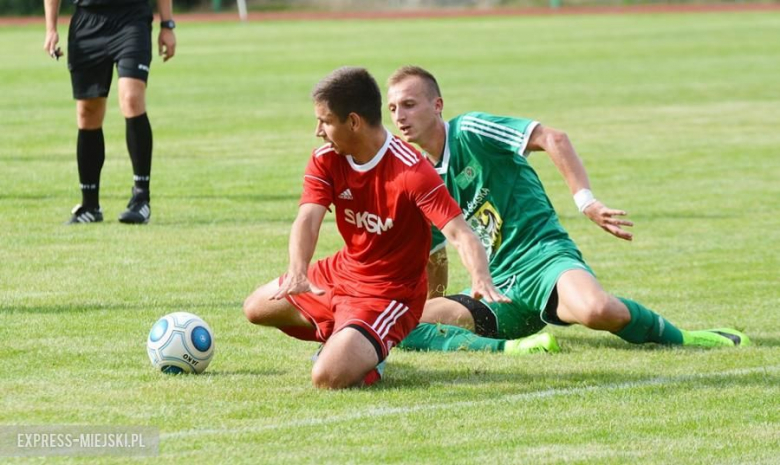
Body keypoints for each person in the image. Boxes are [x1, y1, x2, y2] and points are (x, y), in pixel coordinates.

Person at [385, 65, 750, 353]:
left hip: (544, 261)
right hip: (498, 290)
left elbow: (552, 137)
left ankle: (686, 338)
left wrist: (585, 201)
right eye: (392, 108)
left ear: (437, 105)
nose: (400, 116)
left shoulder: (470, 130)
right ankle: (514, 348)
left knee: (598, 312)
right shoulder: (425, 180)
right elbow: (435, 253)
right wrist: (438, 308)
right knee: (402, 323)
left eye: (409, 104)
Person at [242, 67, 507, 389]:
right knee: (256, 308)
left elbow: (459, 232)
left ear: (353, 122)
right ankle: (352, 338)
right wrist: (298, 271)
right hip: (343, 273)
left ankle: (369, 354)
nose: (318, 131)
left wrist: (480, 276)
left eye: (325, 121)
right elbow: (308, 219)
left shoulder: (411, 171)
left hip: (389, 294)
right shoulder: (326, 159)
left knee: (326, 378)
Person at [43, 0, 177, 224]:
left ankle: (141, 198)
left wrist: (167, 24)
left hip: (131, 19)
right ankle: (90, 205)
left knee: (132, 98)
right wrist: (50, 28)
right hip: (87, 22)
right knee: (88, 112)